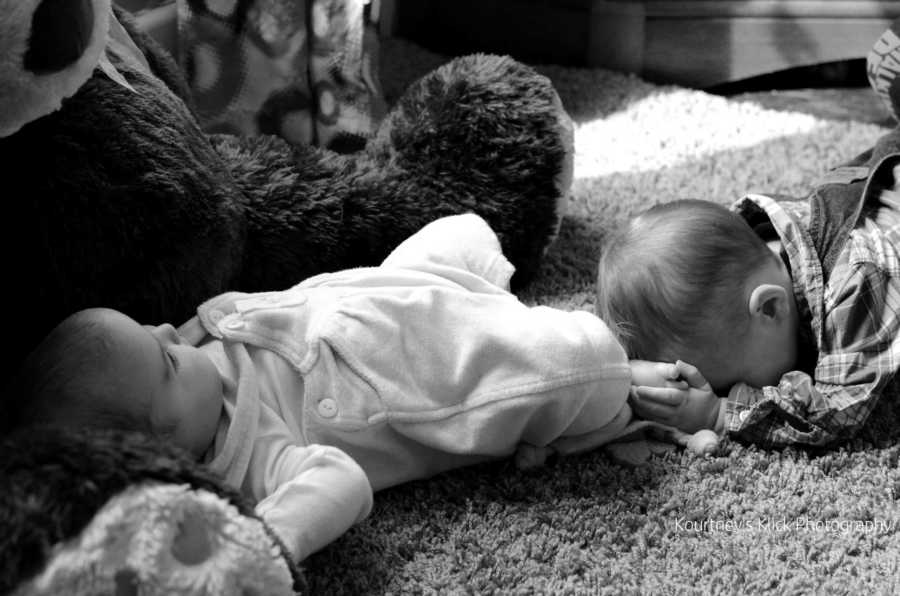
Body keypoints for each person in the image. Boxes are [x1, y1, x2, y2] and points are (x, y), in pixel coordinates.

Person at [5, 213, 635, 563]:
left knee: (463, 233)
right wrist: (268, 541)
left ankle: (478, 293)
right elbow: (340, 482)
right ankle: (538, 343)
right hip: (403, 363)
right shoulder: (249, 466)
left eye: (153, 331)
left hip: (370, 293)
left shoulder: (187, 366)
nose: (173, 330)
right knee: (589, 369)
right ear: (166, 449)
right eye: (166, 360)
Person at [595, 19, 900, 448]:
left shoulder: (858, 282)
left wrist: (720, 412)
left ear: (771, 309)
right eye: (721, 390)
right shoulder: (751, 240)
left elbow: (837, 410)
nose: (724, 391)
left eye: (729, 382)